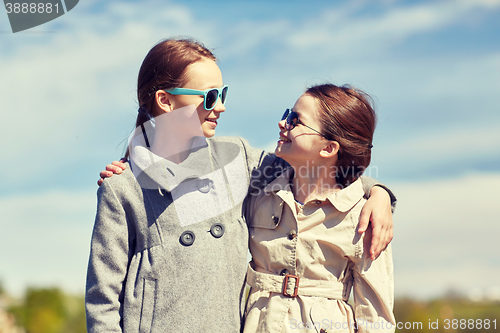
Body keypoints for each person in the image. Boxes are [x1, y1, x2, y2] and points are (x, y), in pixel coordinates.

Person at [87, 37, 395, 333]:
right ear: (165, 101)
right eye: (210, 97)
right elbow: (103, 299)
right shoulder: (123, 188)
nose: (220, 107)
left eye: (223, 95)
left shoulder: (237, 158)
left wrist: (378, 192)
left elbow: (321, 169)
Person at [243, 84, 395, 333]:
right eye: (286, 115)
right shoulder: (259, 194)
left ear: (328, 148)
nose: (283, 124)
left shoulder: (363, 217)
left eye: (295, 121)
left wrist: (378, 194)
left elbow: (375, 318)